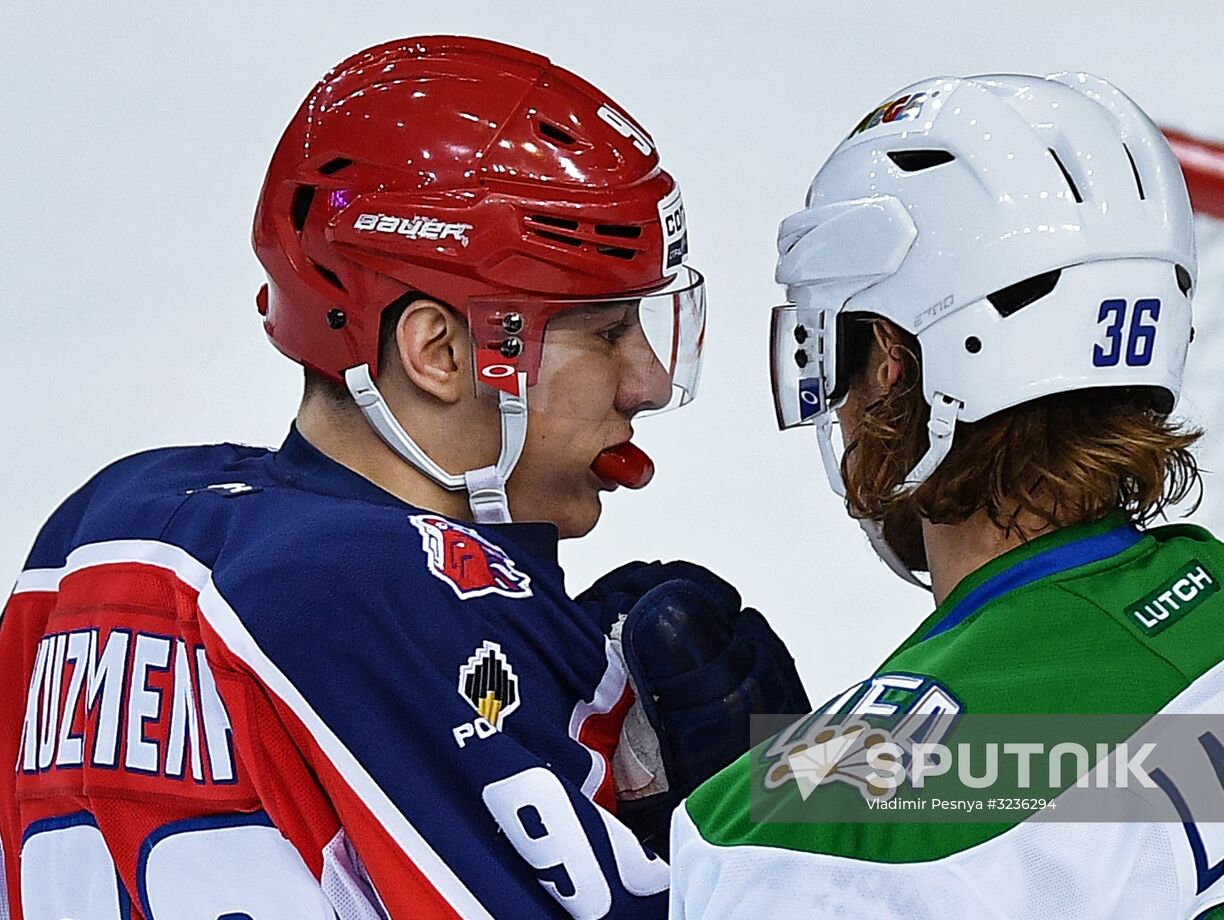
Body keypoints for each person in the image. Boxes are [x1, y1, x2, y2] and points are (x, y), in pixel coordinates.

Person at [0, 36, 805, 918]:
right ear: (440, 351)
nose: (645, 382)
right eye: (609, 331)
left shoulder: (95, 534)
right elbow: (882, 870)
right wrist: (794, 794)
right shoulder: (393, 595)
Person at [670, 73, 1224, 917]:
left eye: (834, 347)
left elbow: (919, 810)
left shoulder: (803, 835)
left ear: (895, 365)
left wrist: (765, 794)